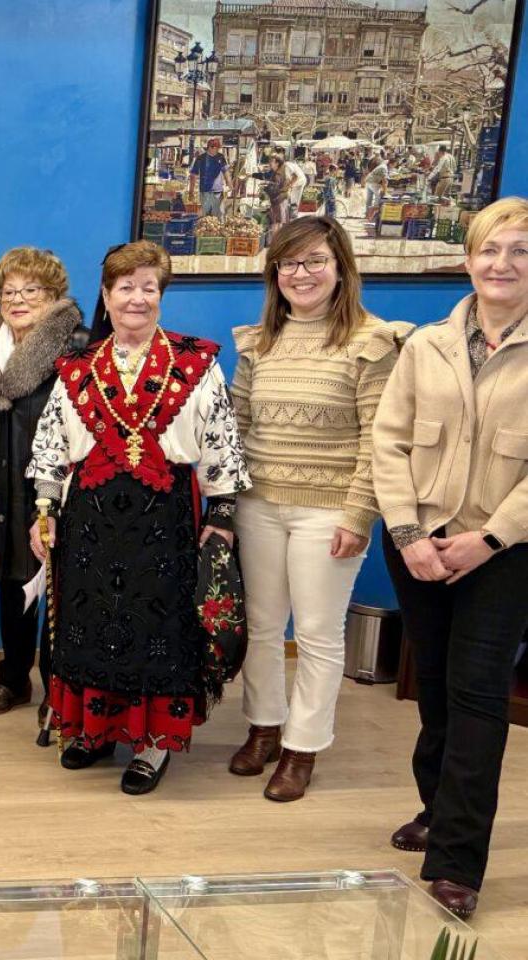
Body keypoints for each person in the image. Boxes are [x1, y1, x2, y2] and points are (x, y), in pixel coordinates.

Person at [28, 240, 250, 795]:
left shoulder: (197, 362)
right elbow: (52, 443)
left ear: (161, 295)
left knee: (158, 629)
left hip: (164, 517)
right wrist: (44, 510)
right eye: (126, 287)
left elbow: (221, 438)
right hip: (89, 520)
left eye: (149, 287)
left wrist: (220, 517)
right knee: (90, 622)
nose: (137, 298)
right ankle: (95, 731)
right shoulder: (77, 369)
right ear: (106, 295)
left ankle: (153, 745)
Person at [373, 196, 528, 921]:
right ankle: (437, 808)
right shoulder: (426, 345)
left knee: (476, 695)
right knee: (431, 687)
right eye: (491, 250)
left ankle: (458, 862)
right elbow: (389, 442)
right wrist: (407, 537)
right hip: (419, 545)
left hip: (505, 551)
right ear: (468, 259)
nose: (503, 264)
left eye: (520, 250)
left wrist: (490, 538)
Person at [228, 216, 411, 802]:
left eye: (313, 262)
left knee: (316, 633)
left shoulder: (372, 341)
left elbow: (378, 440)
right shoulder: (258, 340)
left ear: (340, 268)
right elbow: (238, 423)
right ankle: (263, 727)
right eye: (288, 263)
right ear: (274, 273)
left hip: (327, 512)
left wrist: (360, 515)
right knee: (260, 627)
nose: (300, 274)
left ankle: (302, 747)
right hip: (258, 503)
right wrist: (226, 505)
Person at [0, 248, 88, 718]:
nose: (18, 300)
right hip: (7, 480)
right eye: (8, 291)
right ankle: (13, 679)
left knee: (57, 584)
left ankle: (59, 687)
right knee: (14, 582)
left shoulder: (76, 341)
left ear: (53, 295)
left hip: (59, 483)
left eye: (30, 291)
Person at [189, 137, 230, 219]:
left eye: (218, 148)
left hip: (218, 192)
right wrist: (191, 191)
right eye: (216, 148)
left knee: (218, 215)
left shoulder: (220, 157)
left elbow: (226, 171)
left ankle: (217, 230)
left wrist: (230, 184)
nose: (217, 150)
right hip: (205, 192)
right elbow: (193, 175)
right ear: (210, 147)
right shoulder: (200, 158)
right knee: (206, 216)